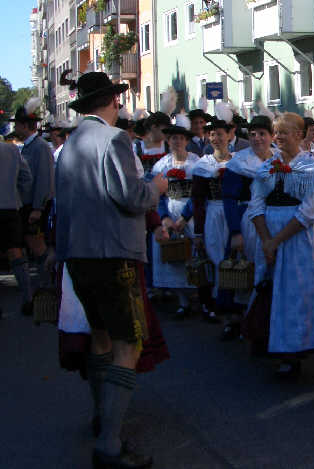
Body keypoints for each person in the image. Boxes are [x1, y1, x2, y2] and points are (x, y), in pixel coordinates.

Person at [55, 72, 169, 469]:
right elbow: (131, 197)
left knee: (101, 339)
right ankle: (109, 444)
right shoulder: (114, 139)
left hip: (78, 257)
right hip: (113, 256)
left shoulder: (69, 144)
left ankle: (105, 421)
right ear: (111, 102)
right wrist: (157, 188)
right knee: (127, 346)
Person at [247, 112, 314, 383]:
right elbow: (256, 205)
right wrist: (266, 241)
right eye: (276, 132)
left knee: (310, 294)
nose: (278, 137)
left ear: (299, 135)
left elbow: (310, 211)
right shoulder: (267, 167)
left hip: (300, 242)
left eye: (284, 132)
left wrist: (276, 240)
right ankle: (287, 355)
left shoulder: (311, 168)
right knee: (276, 295)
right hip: (270, 240)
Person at [219, 113, 275, 341]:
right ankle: (242, 319)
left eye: (262, 134)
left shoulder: (280, 159)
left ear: (272, 136)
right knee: (247, 270)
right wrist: (236, 232)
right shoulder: (238, 163)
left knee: (271, 270)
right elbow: (229, 199)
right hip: (248, 221)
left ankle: (265, 318)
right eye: (253, 134)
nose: (257, 138)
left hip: (275, 221)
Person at [150, 113, 199, 320]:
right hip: (170, 212)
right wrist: (165, 218)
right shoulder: (161, 165)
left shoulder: (196, 163)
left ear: (186, 141)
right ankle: (182, 301)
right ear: (168, 141)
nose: (177, 142)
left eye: (181, 138)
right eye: (173, 138)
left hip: (190, 215)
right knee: (174, 257)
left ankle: (199, 297)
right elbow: (158, 195)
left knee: (193, 257)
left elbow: (198, 194)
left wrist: (184, 217)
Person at [190, 104, 234, 323]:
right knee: (215, 255)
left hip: (233, 212)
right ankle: (217, 300)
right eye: (213, 135)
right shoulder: (203, 165)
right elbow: (198, 200)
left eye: (220, 134)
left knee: (235, 257)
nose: (216, 138)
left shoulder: (238, 161)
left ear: (229, 136)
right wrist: (198, 232)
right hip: (214, 212)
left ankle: (234, 299)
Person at [10, 97, 54, 290]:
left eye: (17, 125)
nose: (15, 129)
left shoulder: (40, 147)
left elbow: (44, 180)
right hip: (28, 205)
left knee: (38, 246)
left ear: (24, 125)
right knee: (33, 246)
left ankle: (49, 283)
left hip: (35, 206)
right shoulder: (30, 146)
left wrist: (38, 208)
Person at [0, 141, 33, 314]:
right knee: (15, 252)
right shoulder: (12, 150)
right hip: (10, 208)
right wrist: (15, 195)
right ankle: (28, 299)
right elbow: (26, 178)